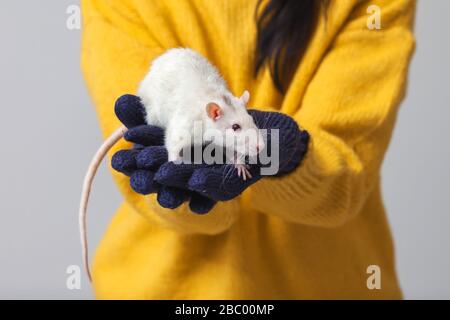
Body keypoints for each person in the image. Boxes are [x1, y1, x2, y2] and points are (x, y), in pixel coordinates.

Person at [81, 0, 416, 299]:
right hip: (160, 288)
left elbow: (343, 172)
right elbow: (150, 152)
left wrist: (290, 159)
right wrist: (184, 180)